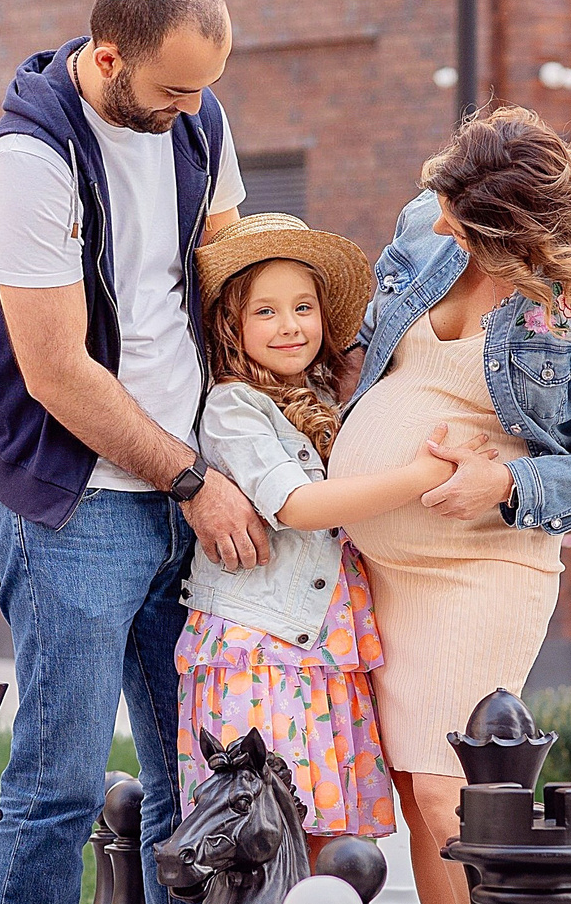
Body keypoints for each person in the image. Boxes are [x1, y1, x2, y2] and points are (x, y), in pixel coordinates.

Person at [0, 0, 271, 904]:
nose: (192, 113)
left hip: (194, 489)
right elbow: (55, 371)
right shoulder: (27, 161)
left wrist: (273, 426)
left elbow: (224, 276)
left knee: (195, 776)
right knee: (55, 775)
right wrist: (191, 474)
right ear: (106, 56)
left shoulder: (200, 122)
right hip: (78, 501)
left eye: (205, 91)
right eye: (173, 91)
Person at [328, 106, 571, 904]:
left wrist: (508, 485)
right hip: (376, 562)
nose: (437, 221)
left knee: (451, 792)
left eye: (460, 218)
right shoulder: (421, 221)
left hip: (485, 560)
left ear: (519, 233)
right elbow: (375, 358)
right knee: (414, 794)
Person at [174, 216, 488, 854]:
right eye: (266, 311)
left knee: (327, 832)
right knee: (264, 829)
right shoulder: (235, 408)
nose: (290, 325)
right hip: (261, 649)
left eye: (303, 307)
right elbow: (298, 505)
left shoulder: (321, 397)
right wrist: (421, 474)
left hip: (324, 646)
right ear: (231, 328)